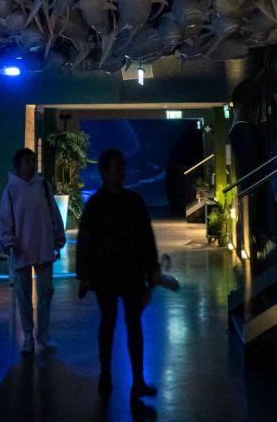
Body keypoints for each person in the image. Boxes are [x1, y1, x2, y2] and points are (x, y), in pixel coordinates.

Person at [76, 148, 160, 398]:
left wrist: (151, 267)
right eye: (116, 167)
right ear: (104, 171)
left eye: (122, 166)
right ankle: (114, 375)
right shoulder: (126, 202)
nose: (120, 171)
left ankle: (127, 378)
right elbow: (86, 241)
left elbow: (145, 238)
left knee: (124, 324)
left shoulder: (112, 202)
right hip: (112, 274)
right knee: (116, 323)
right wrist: (85, 275)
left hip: (122, 273)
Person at [0, 147, 67, 354]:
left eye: (33, 161)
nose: (31, 165)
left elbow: (53, 212)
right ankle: (28, 335)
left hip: (43, 246)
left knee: (46, 292)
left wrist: (58, 236)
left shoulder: (43, 186)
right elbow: (5, 218)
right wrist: (7, 240)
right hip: (21, 249)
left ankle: (43, 334)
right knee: (23, 295)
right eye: (27, 161)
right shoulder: (11, 190)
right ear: (18, 165)